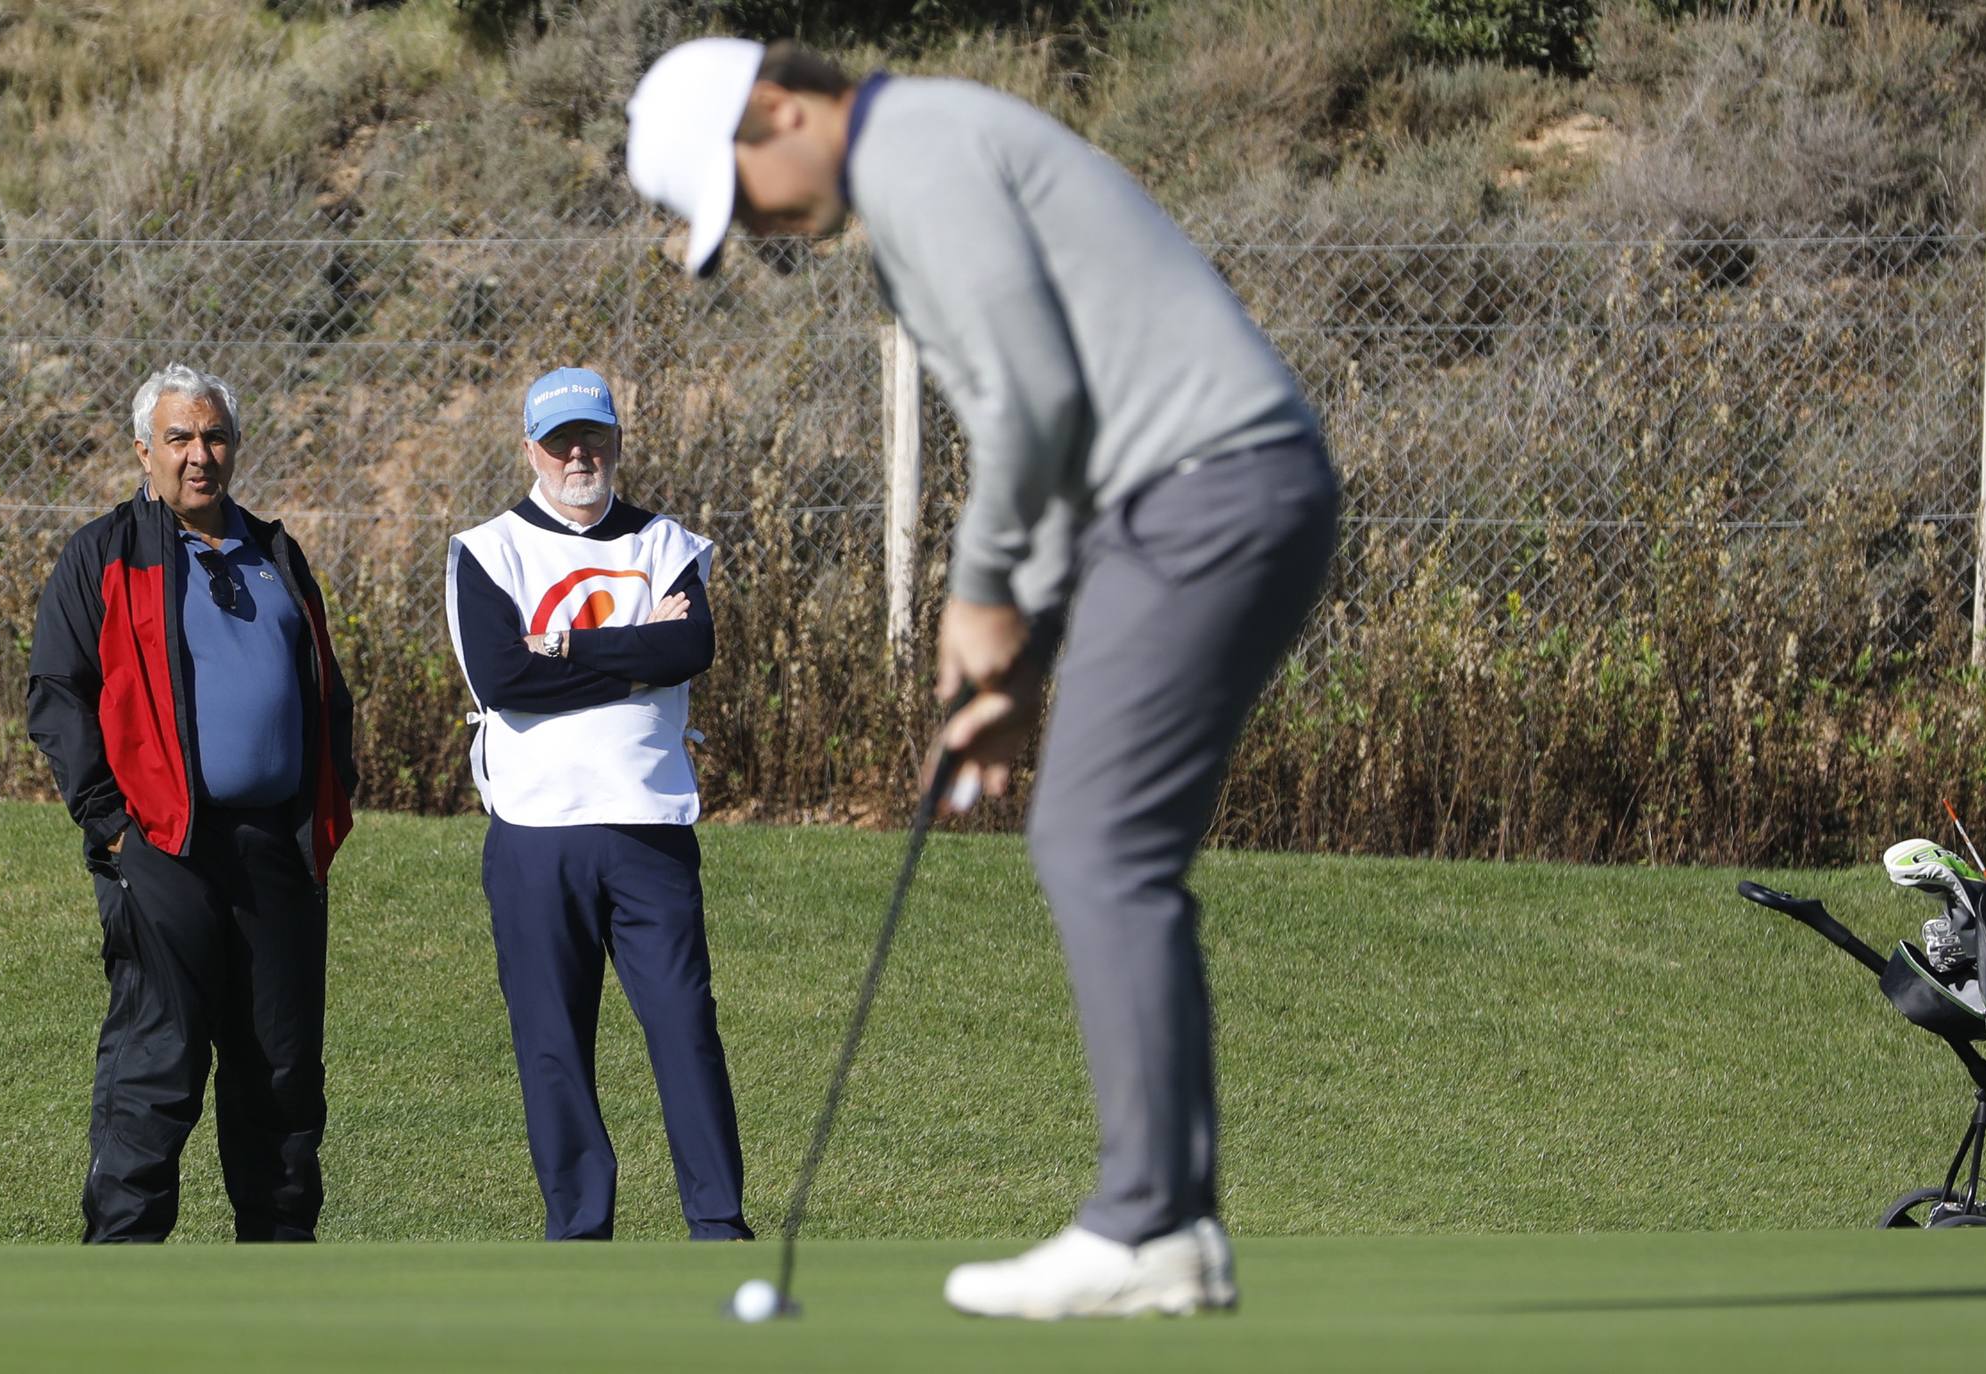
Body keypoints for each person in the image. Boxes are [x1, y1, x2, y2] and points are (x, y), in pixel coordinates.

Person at [625, 40, 1340, 1317]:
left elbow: (1033, 404)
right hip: (1191, 497)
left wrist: (981, 591)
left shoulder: (914, 152)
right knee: (1095, 840)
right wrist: (1018, 664)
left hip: (1204, 492)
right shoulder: (916, 174)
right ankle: (1164, 1221)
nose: (773, 232)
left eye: (753, 199)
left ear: (780, 108)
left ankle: (1149, 1223)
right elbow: (1063, 432)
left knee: (1094, 843)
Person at [26, 363, 357, 1243]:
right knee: (156, 1066)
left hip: (277, 856)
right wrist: (111, 828)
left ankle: (276, 1278)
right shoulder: (104, 554)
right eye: (178, 438)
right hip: (161, 849)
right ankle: (125, 1284)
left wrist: (326, 808)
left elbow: (328, 692)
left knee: (281, 1076)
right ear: (144, 450)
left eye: (214, 437)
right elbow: (56, 694)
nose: (198, 455)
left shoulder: (277, 552)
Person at [442, 366, 751, 1242]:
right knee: (552, 1043)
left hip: (648, 829)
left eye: (594, 437)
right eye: (560, 440)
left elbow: (690, 644)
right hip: (537, 834)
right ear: (528, 450)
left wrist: (566, 646)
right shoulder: (488, 549)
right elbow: (505, 678)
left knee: (684, 1024)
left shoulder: (666, 544)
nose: (579, 455)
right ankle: (579, 1228)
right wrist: (631, 650)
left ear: (617, 440)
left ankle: (718, 1220)